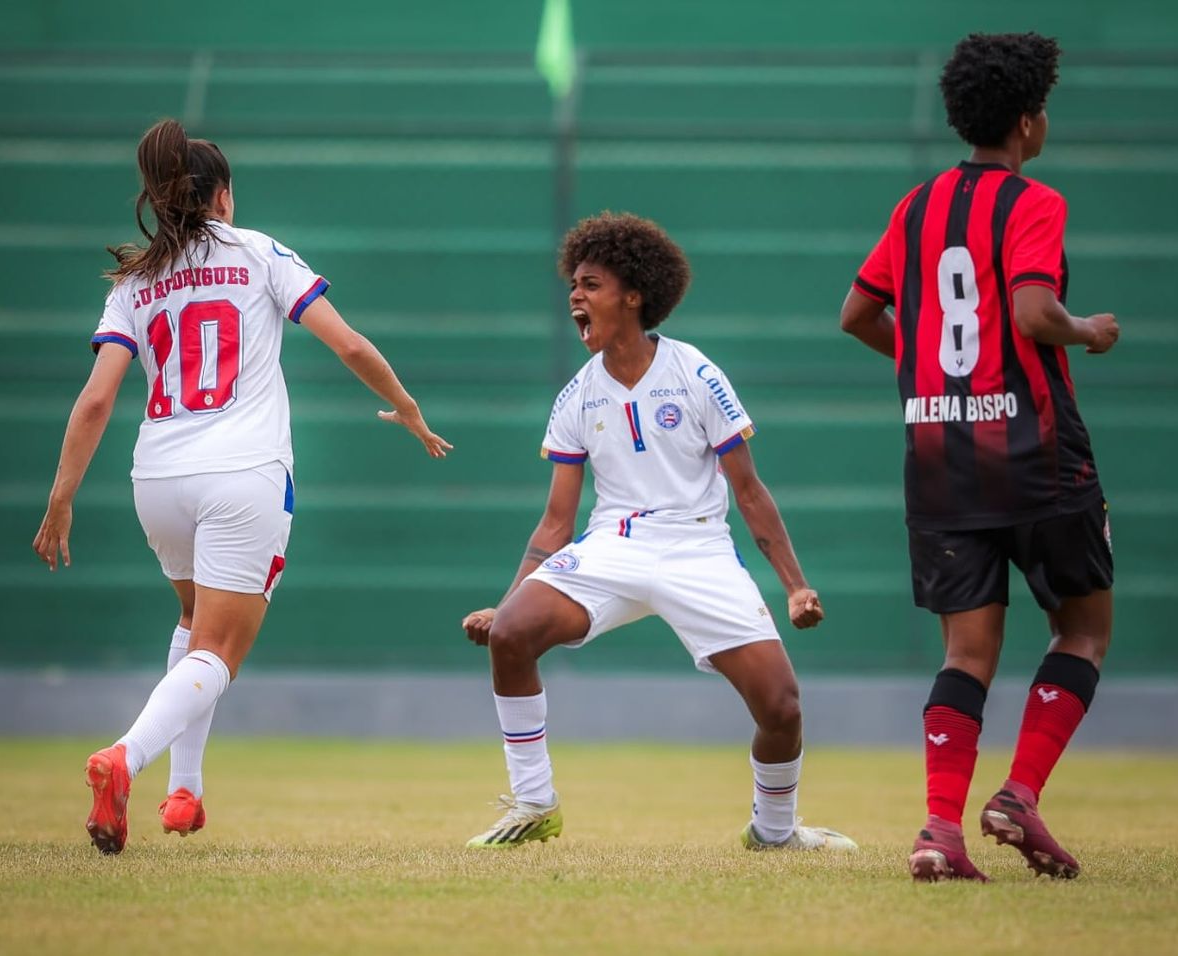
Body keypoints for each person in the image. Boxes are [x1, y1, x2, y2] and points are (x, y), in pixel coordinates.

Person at [32, 118, 452, 854]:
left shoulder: (138, 278)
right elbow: (348, 342)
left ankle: (183, 793)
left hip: (157, 477)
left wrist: (61, 496)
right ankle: (124, 758)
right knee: (218, 653)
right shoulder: (258, 251)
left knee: (195, 628)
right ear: (220, 195)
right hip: (243, 472)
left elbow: (96, 399)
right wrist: (409, 409)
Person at [461, 211, 856, 852]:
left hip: (698, 547)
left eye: (590, 285)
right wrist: (505, 602)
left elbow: (749, 491)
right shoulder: (575, 397)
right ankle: (535, 804)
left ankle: (776, 833)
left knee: (781, 706)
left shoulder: (696, 373)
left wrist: (795, 585)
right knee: (511, 634)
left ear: (635, 294)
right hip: (613, 544)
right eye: (573, 286)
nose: (575, 298)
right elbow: (557, 521)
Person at [840, 33, 1119, 882]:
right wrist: (1087, 330)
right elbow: (1034, 314)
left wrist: (927, 371)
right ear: (1029, 122)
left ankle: (939, 832)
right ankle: (1020, 794)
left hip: (937, 457)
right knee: (1082, 628)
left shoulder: (916, 207)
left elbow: (856, 312)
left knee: (965, 654)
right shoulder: (1033, 202)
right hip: (1035, 453)